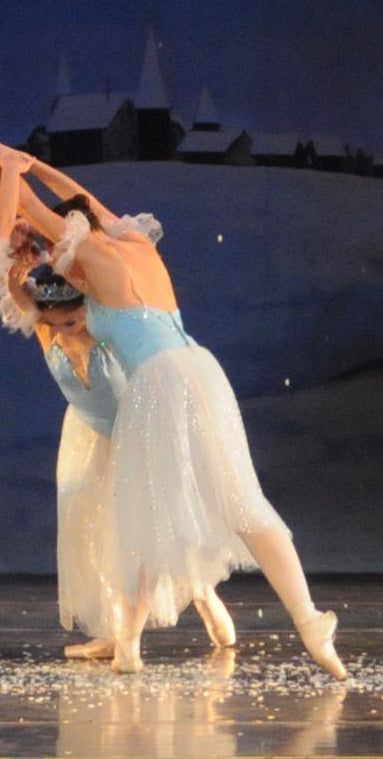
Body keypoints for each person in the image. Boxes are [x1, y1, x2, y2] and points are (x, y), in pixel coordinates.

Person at [8, 146, 346, 679]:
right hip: (201, 369)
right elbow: (85, 203)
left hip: (159, 385)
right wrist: (32, 163)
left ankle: (128, 645)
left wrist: (10, 172)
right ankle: (309, 622)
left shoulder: (93, 261)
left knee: (149, 509)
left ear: (75, 234)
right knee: (243, 504)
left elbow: (31, 212)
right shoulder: (136, 244)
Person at [0, 157, 236, 658]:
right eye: (59, 324)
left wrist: (14, 171)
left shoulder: (109, 324)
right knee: (97, 533)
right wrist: (16, 258)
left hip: (138, 430)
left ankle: (201, 590)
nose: (69, 331)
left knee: (155, 518)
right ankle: (115, 632)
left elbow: (73, 213)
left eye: (75, 321)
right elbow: (8, 272)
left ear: (88, 305)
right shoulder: (45, 328)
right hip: (89, 436)